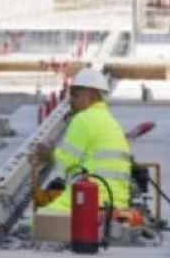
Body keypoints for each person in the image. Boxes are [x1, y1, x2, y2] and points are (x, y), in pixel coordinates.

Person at [37, 67, 133, 214]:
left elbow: (66, 161)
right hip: (117, 201)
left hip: (93, 198)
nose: (71, 101)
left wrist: (47, 155)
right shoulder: (109, 120)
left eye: (75, 95)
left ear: (91, 95)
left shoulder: (83, 119)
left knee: (42, 218)